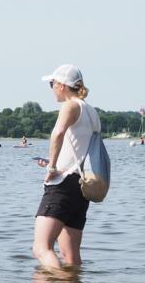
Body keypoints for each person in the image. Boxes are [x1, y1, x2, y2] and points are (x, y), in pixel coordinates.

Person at [32, 64, 100, 270]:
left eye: (52, 84)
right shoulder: (91, 111)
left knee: (41, 248)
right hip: (80, 187)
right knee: (70, 255)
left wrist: (51, 168)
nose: (51, 88)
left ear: (61, 85)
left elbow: (58, 133)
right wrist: (54, 161)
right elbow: (80, 149)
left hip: (62, 185)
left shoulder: (70, 107)